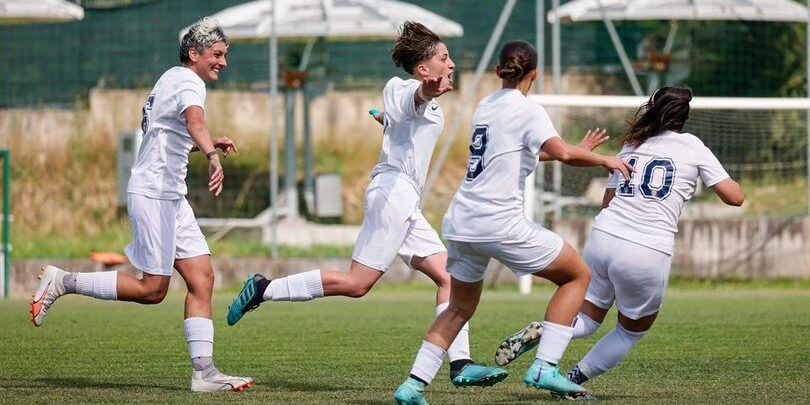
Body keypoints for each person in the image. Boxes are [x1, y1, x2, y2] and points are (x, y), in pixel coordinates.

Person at [225, 21, 506, 387]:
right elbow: (411, 102)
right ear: (424, 70)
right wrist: (423, 93)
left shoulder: (420, 103)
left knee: (449, 279)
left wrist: (385, 121)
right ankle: (264, 288)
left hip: (406, 201)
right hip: (393, 194)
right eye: (444, 58)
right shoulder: (404, 88)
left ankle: (461, 364)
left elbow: (402, 118)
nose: (451, 64)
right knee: (358, 284)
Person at [393, 40, 634, 405]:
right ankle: (545, 367)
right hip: (498, 222)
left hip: (461, 222)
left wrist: (575, 149)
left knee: (459, 308)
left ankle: (412, 386)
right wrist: (605, 161)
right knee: (577, 276)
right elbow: (563, 153)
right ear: (534, 74)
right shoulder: (528, 109)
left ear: (499, 71)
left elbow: (520, 153)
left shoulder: (486, 105)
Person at [29, 17, 253, 392]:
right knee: (153, 289)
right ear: (194, 53)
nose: (223, 62)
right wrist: (212, 153)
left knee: (202, 278)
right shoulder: (187, 81)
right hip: (153, 194)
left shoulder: (171, 78)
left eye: (225, 55)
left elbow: (167, 136)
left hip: (171, 196)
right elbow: (194, 120)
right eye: (217, 55)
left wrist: (206, 146)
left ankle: (204, 373)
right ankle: (62, 281)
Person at [495, 86, 744, 393]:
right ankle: (573, 379)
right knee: (630, 331)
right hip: (646, 248)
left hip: (603, 238)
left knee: (587, 317)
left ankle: (546, 330)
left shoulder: (632, 144)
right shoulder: (693, 146)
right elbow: (735, 198)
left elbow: (607, 201)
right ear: (683, 118)